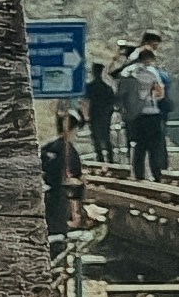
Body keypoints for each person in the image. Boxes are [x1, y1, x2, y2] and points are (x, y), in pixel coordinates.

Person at [121, 37, 172, 181]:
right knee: (154, 147)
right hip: (152, 113)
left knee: (139, 147)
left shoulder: (130, 71)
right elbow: (160, 93)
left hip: (137, 115)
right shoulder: (152, 72)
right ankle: (156, 175)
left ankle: (139, 175)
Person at [40, 109, 87, 238]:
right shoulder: (69, 151)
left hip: (46, 196)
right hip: (62, 198)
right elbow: (76, 178)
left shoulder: (47, 147)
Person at [82, 50, 121, 170]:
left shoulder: (89, 87)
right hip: (106, 115)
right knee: (106, 137)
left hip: (94, 114)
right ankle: (111, 161)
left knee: (96, 138)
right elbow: (113, 102)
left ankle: (100, 161)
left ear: (93, 72)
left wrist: (86, 116)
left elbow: (85, 102)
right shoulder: (107, 87)